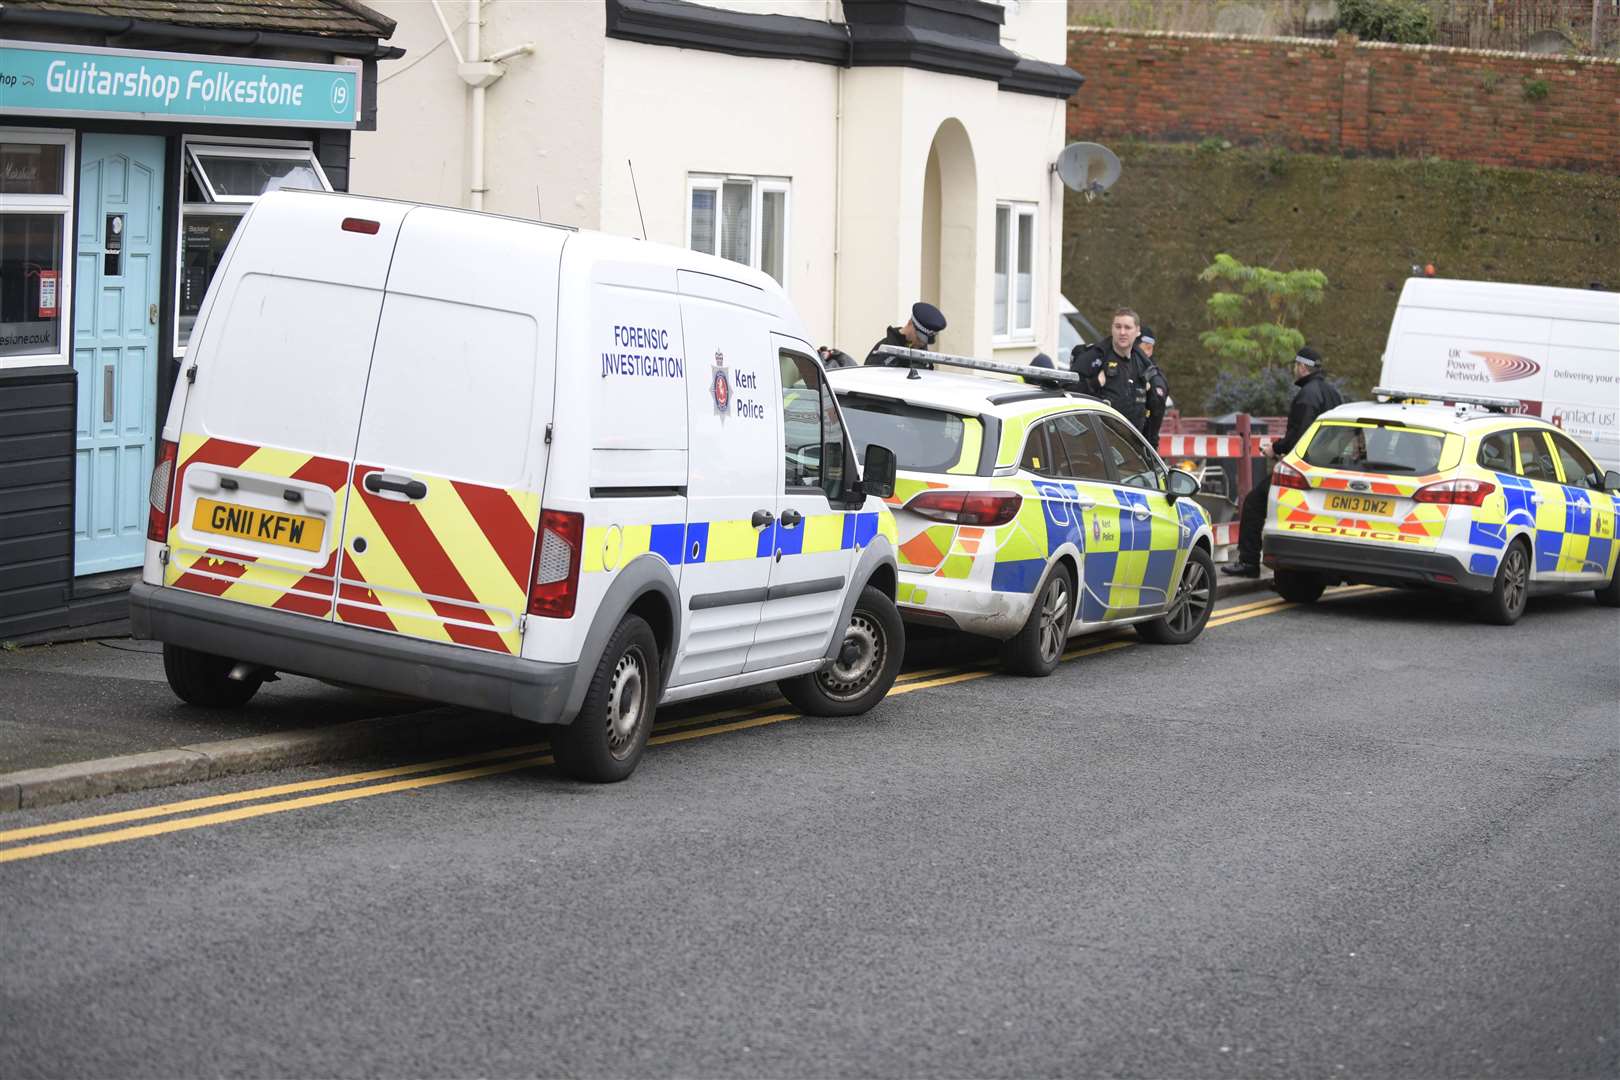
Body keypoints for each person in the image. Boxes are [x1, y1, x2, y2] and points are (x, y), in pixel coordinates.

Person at [1223, 345, 1345, 578]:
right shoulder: (1333, 394)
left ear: (1301, 367)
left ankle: (1248, 562)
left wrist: (1276, 448)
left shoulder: (1307, 395)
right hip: (1330, 467)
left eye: (1295, 366)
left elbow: (1301, 435)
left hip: (1303, 468)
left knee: (1254, 503)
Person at [1069, 308, 1153, 429]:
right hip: (1099, 438)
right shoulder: (1094, 356)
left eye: (1127, 328)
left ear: (1137, 331)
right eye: (1118, 327)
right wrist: (1095, 383)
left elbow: (1152, 406)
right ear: (1112, 329)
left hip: (1133, 439)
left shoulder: (1142, 362)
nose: (1122, 332)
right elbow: (1068, 391)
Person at [864, 302, 947, 366]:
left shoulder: (921, 351)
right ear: (910, 323)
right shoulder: (884, 351)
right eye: (918, 338)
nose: (921, 344)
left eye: (924, 342)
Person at [1135, 324, 1171, 445]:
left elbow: (1156, 409)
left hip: (1144, 445)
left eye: (1135, 347)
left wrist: (1148, 391)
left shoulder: (1154, 378)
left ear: (1148, 348)